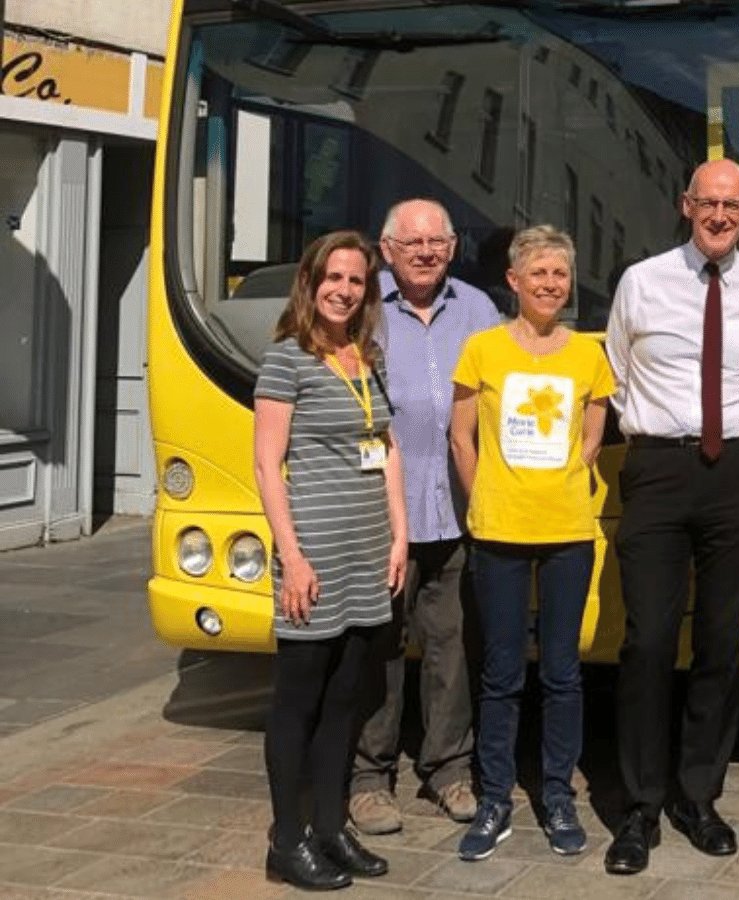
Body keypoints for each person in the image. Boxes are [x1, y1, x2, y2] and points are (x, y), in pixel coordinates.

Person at [601, 159, 739, 875]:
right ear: (686, 206)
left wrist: (736, 445)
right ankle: (640, 806)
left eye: (733, 206)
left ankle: (698, 796)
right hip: (655, 469)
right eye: (708, 203)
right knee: (647, 642)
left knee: (721, 643)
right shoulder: (641, 282)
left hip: (737, 474)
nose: (719, 216)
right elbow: (617, 374)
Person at [448, 226, 614, 860]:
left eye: (560, 274)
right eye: (539, 273)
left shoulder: (588, 356)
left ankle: (557, 794)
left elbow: (593, 432)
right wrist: (484, 496)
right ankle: (495, 798)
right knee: (500, 673)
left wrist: (564, 479)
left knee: (564, 672)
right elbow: (461, 437)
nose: (551, 284)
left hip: (569, 530)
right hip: (500, 531)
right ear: (514, 282)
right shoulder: (483, 350)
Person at [253, 230, 405, 890]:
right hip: (312, 551)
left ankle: (331, 828)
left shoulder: (365, 358)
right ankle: (288, 842)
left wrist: (398, 538)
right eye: (334, 278)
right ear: (311, 283)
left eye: (357, 281)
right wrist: (292, 554)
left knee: (348, 698)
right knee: (300, 700)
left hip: (367, 551)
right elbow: (266, 463)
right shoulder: (287, 359)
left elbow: (388, 448)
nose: (345, 290)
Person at [349, 199, 501, 835]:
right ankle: (367, 778)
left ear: (453, 247)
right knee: (378, 646)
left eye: (437, 241)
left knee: (452, 647)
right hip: (382, 510)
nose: (425, 251)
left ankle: (447, 769)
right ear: (386, 249)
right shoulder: (361, 305)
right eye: (411, 242)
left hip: (460, 507)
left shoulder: (478, 309)